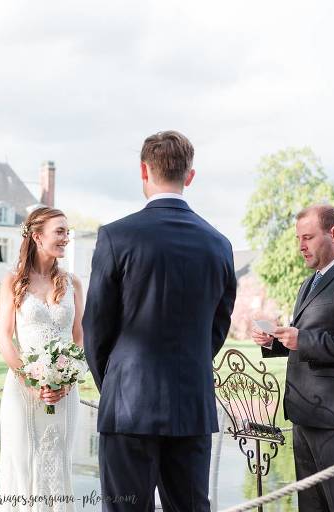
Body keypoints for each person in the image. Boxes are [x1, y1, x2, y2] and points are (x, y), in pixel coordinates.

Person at [82, 130, 237, 511]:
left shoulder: (116, 237)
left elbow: (95, 327)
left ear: (143, 171)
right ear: (190, 176)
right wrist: (190, 363)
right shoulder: (219, 244)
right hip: (192, 403)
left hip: (128, 403)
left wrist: (114, 383)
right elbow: (218, 325)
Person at [251, 204, 334, 512]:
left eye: (308, 237)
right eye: (299, 238)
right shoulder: (309, 283)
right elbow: (307, 339)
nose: (301, 246)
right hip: (306, 418)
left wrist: (303, 339)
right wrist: (274, 341)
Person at [0, 206, 85, 512]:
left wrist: (68, 381)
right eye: (59, 231)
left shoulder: (73, 283)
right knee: (23, 466)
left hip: (65, 392)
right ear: (37, 236)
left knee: (58, 464)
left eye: (67, 232)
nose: (66, 238)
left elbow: (79, 337)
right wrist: (32, 382)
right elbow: (4, 339)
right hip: (22, 390)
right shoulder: (13, 281)